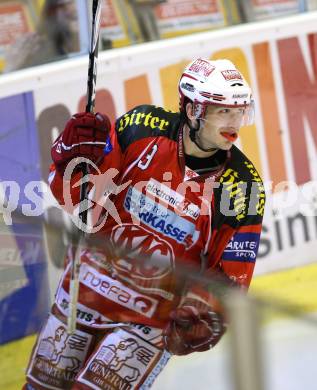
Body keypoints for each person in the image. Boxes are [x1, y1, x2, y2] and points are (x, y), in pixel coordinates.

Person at [24, 58, 265, 389]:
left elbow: (230, 277)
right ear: (194, 109)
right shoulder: (141, 127)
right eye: (224, 111)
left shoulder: (244, 188)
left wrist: (204, 311)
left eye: (241, 111)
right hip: (84, 293)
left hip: (146, 323)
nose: (235, 122)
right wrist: (70, 154)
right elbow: (75, 197)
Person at [4, 0, 80, 72]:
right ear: (52, 12)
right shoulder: (36, 49)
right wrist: (13, 67)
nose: (73, 8)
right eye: (65, 3)